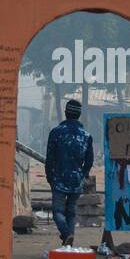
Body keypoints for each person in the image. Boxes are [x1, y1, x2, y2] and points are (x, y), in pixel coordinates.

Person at [44, 98, 93, 246]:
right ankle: (68, 243)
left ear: (65, 113)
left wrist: (49, 177)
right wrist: (82, 174)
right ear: (79, 115)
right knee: (71, 212)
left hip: (58, 179)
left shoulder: (56, 133)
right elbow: (89, 161)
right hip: (76, 180)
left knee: (58, 212)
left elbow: (50, 158)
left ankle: (66, 234)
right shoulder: (86, 136)